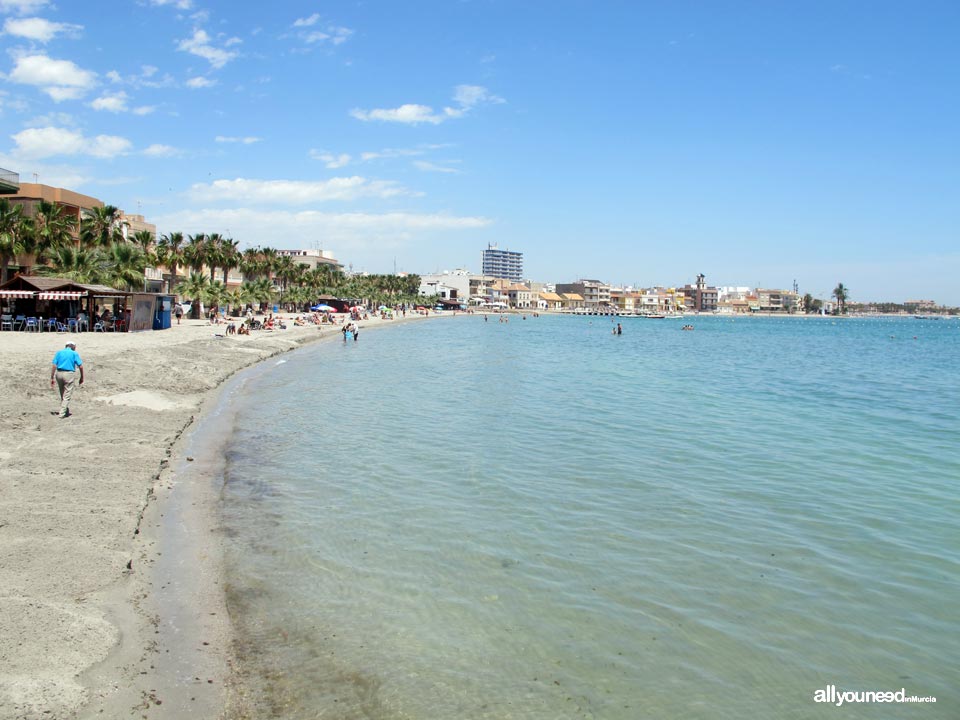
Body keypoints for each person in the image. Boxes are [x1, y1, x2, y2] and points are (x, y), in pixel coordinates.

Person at [50, 341, 84, 418]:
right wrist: (82, 377)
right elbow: (80, 366)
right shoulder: (74, 353)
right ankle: (62, 413)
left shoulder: (59, 353)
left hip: (59, 373)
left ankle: (65, 410)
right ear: (73, 347)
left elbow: (54, 365)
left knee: (62, 392)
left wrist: (52, 377)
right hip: (69, 374)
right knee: (67, 394)